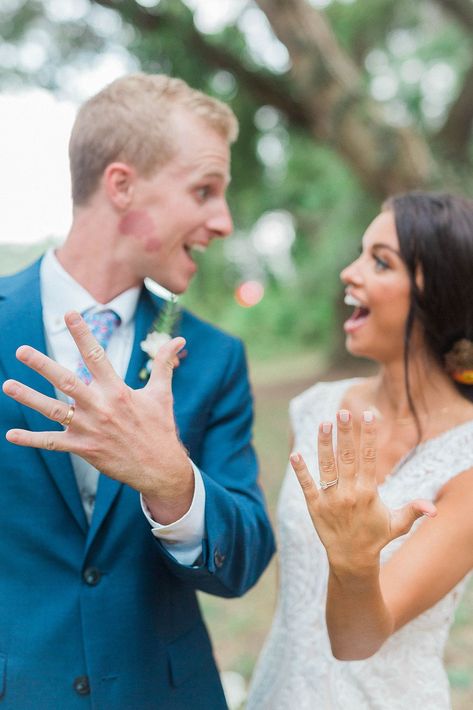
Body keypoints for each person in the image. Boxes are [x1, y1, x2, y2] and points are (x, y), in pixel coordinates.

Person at [0, 73, 274, 709]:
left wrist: (172, 482)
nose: (224, 221)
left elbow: (246, 561)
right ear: (121, 185)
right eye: (204, 190)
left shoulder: (215, 359)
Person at [247, 192, 473, 709]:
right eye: (359, 253)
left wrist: (354, 559)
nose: (349, 273)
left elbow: (356, 641)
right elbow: (295, 604)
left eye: (379, 261)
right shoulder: (313, 410)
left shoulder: (468, 459)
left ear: (438, 292)